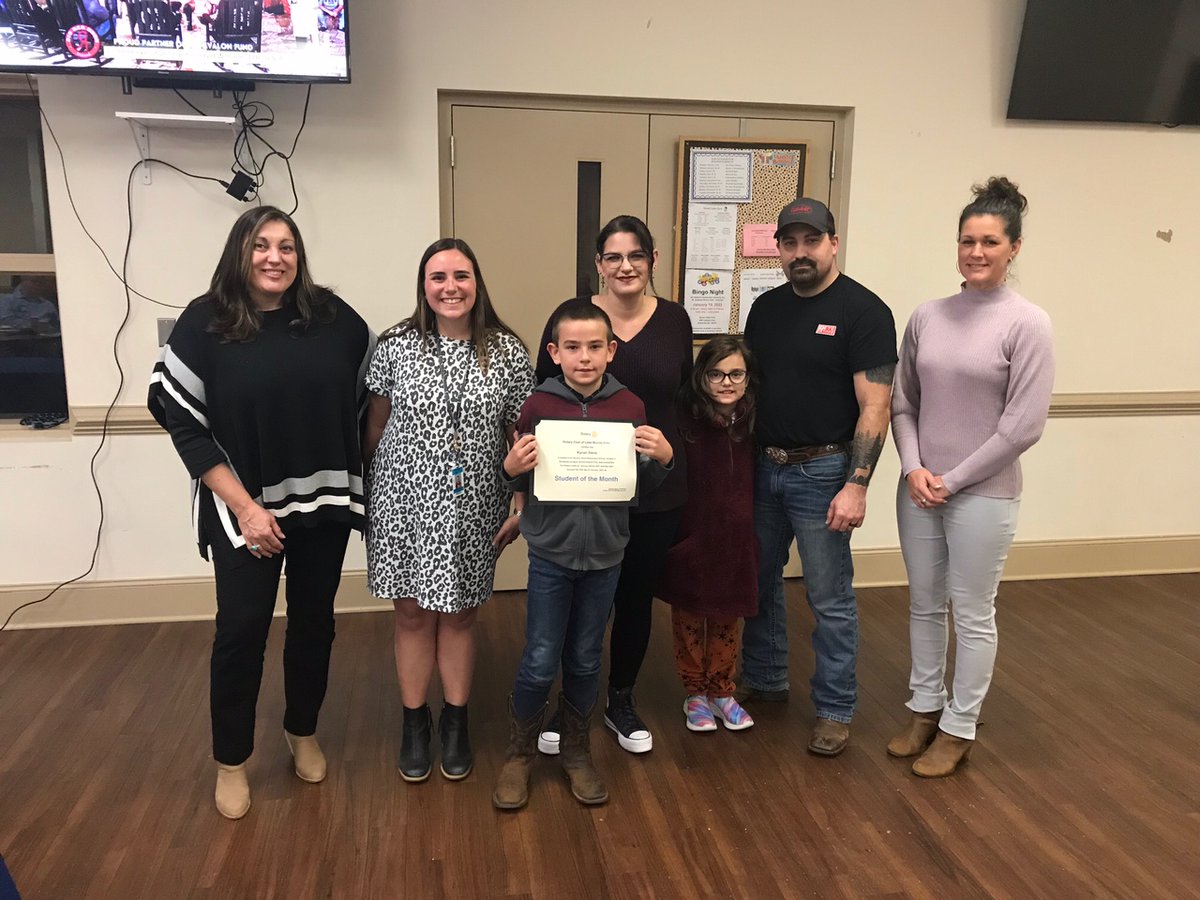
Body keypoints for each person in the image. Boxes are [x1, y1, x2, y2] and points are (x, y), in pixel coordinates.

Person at [148, 205, 374, 819]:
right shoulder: (205, 324)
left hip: (322, 505)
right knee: (242, 632)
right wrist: (246, 509)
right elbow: (182, 424)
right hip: (243, 512)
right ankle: (232, 761)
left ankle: (302, 729)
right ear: (240, 252)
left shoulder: (332, 319)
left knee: (313, 626)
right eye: (262, 245)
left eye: (288, 246)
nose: (276, 257)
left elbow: (372, 394)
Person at [888, 177, 1054, 777]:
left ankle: (960, 726)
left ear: (1013, 249)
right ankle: (924, 710)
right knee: (925, 606)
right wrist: (913, 468)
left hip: (981, 495)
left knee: (971, 610)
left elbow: (1022, 427)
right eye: (966, 241)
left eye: (989, 242)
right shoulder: (927, 316)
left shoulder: (1028, 323)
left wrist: (950, 480)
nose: (976, 252)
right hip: (919, 488)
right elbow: (903, 403)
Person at [363, 238, 535, 784]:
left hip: (475, 505)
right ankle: (415, 723)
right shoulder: (394, 345)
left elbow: (521, 432)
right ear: (424, 287)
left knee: (461, 614)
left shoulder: (506, 351)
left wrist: (521, 497)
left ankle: (455, 721)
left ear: (477, 283)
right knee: (411, 613)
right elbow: (375, 424)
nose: (450, 287)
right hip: (403, 503)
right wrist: (370, 493)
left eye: (461, 275)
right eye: (438, 277)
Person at [493, 300, 674, 810]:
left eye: (596, 347)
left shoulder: (630, 407)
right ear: (554, 352)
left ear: (611, 351)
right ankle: (519, 754)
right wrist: (510, 468)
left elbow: (636, 486)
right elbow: (520, 478)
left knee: (586, 656)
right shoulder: (538, 406)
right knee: (539, 658)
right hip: (550, 553)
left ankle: (576, 750)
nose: (585, 357)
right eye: (572, 347)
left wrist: (663, 459)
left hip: (606, 555)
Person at [741, 197, 897, 757]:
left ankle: (834, 709)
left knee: (829, 597)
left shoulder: (864, 312)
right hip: (765, 466)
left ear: (834, 243)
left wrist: (856, 483)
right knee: (758, 585)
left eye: (812, 241)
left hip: (826, 470)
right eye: (790, 242)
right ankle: (766, 679)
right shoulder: (765, 310)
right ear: (779, 249)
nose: (801, 252)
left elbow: (874, 407)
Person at [535, 215, 692, 756]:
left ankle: (620, 699)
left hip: (653, 490)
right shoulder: (573, 320)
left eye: (637, 256)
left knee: (633, 601)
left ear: (652, 261)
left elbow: (684, 400)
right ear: (598, 264)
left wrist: (673, 458)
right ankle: (568, 702)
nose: (626, 266)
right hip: (581, 493)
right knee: (578, 607)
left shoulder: (674, 319)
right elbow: (543, 404)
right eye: (613, 257)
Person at [658, 336, 758, 733]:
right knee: (689, 614)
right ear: (702, 377)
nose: (726, 382)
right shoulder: (686, 419)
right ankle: (695, 693)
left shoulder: (753, 420)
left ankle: (722, 690)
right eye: (716, 374)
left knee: (726, 616)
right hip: (693, 532)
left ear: (748, 378)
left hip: (737, 537)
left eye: (736, 373)